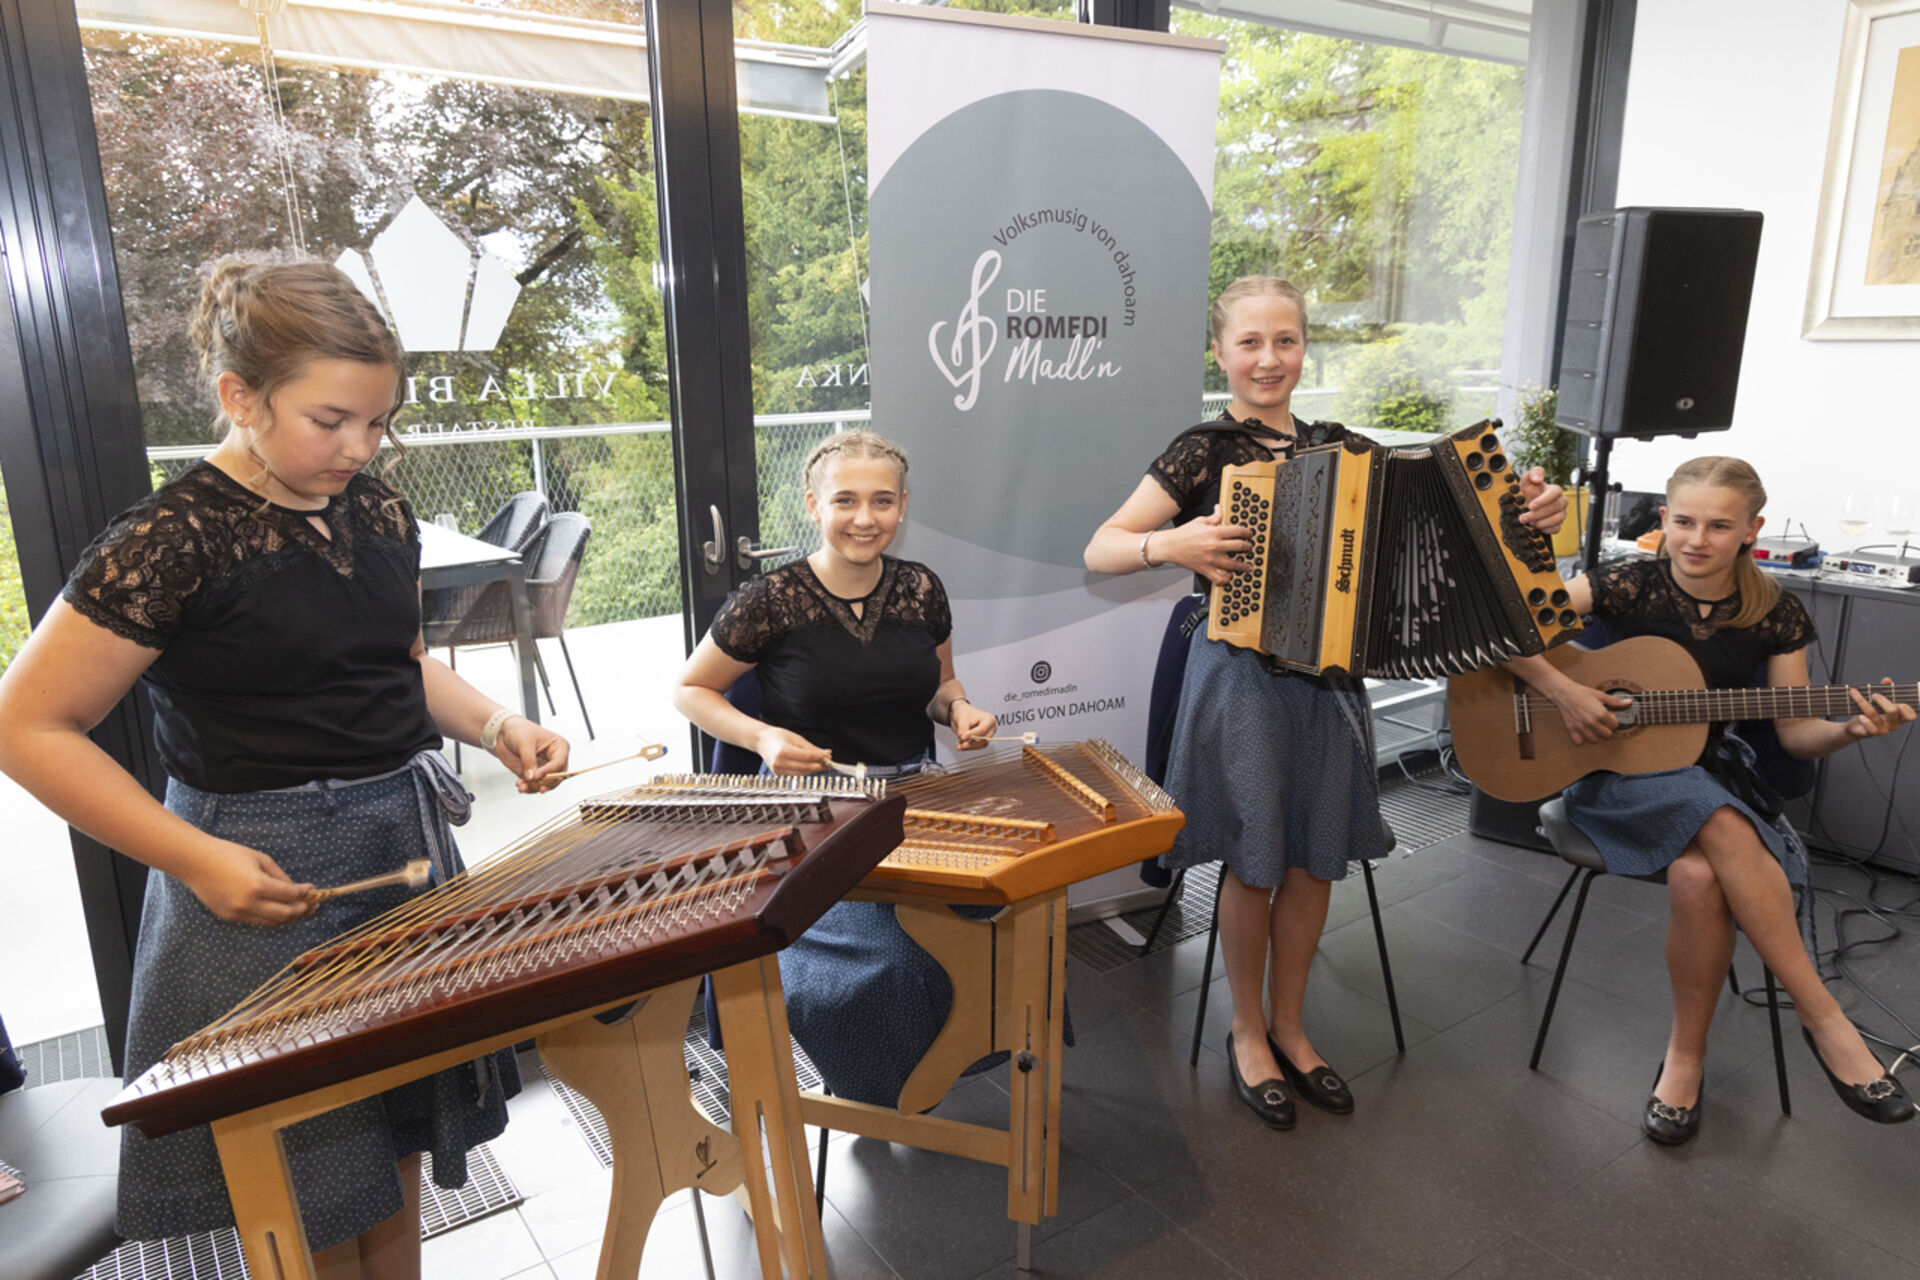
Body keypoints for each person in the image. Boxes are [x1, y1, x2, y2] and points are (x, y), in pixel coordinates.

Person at [0, 260, 570, 1277]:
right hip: (254, 872)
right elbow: (27, 726)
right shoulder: (170, 539)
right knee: (306, 1174)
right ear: (241, 397)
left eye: (379, 422)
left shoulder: (376, 513)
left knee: (392, 1135)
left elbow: (396, 661)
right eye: (330, 420)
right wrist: (194, 857)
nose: (360, 447)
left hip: (398, 846)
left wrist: (495, 723)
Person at [1084, 276, 1567, 1129]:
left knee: (1312, 859)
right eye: (1249, 342)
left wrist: (1532, 513)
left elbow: (1461, 523)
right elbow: (1103, 547)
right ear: (1219, 353)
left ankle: (1291, 1025)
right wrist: (1173, 542)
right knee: (1255, 859)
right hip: (1240, 674)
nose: (1269, 359)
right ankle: (1246, 1031)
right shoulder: (1203, 450)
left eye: (1286, 340)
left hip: (1333, 680)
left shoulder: (1347, 449)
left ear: (1306, 346)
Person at [1502, 455, 1915, 1142]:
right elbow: (1500, 629)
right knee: (1720, 820)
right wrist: (1565, 692)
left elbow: (1795, 733)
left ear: (1752, 529)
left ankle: (1684, 1059)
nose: (1697, 539)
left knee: (1700, 873)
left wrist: (1850, 730)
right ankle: (1825, 1019)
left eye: (1719, 526)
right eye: (1685, 521)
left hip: (1707, 773)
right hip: (1613, 777)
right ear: (1664, 519)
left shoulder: (1777, 613)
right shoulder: (1624, 583)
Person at [673, 429, 997, 1106]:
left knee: (999, 917)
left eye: (882, 501)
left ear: (903, 505)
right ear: (813, 505)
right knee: (893, 961)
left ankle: (958, 1063)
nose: (864, 518)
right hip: (811, 815)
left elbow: (941, 686)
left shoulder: (921, 589)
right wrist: (763, 737)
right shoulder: (770, 600)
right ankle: (890, 1098)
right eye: (845, 500)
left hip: (911, 799)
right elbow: (691, 690)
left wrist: (960, 710)